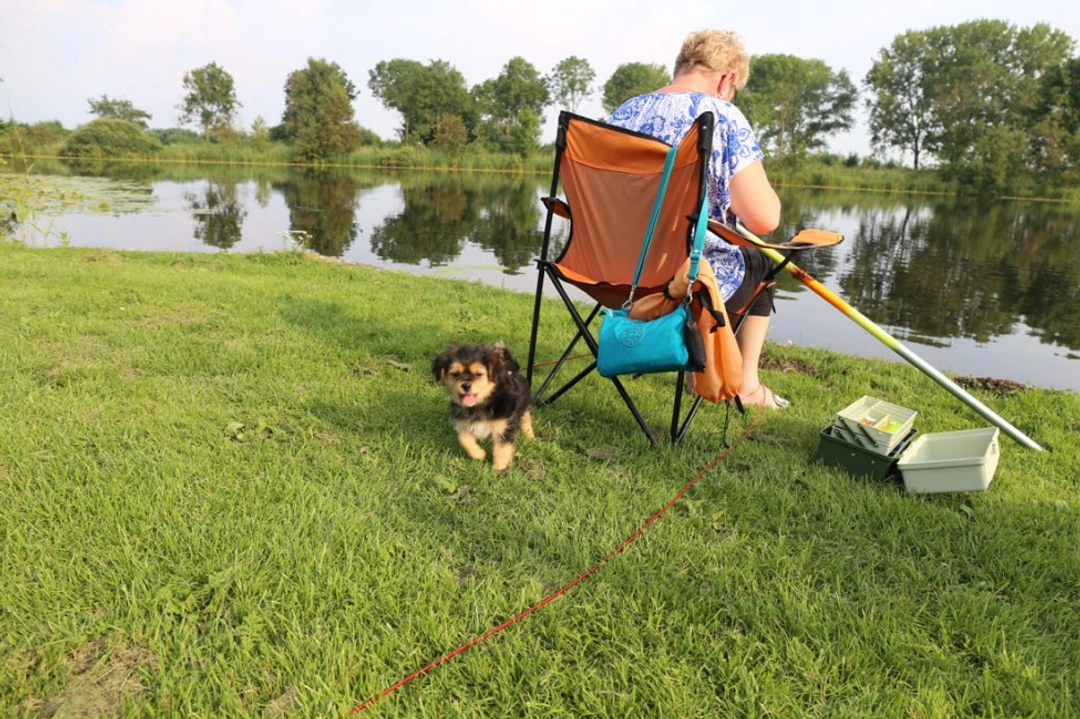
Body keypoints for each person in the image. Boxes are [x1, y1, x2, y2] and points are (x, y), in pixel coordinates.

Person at [608, 29, 787, 408]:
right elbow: (763, 219)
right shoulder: (721, 115)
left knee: (722, 251)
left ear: (681, 67)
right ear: (727, 79)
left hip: (611, 270)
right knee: (762, 260)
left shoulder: (625, 111)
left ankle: (697, 365)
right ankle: (747, 385)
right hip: (681, 278)